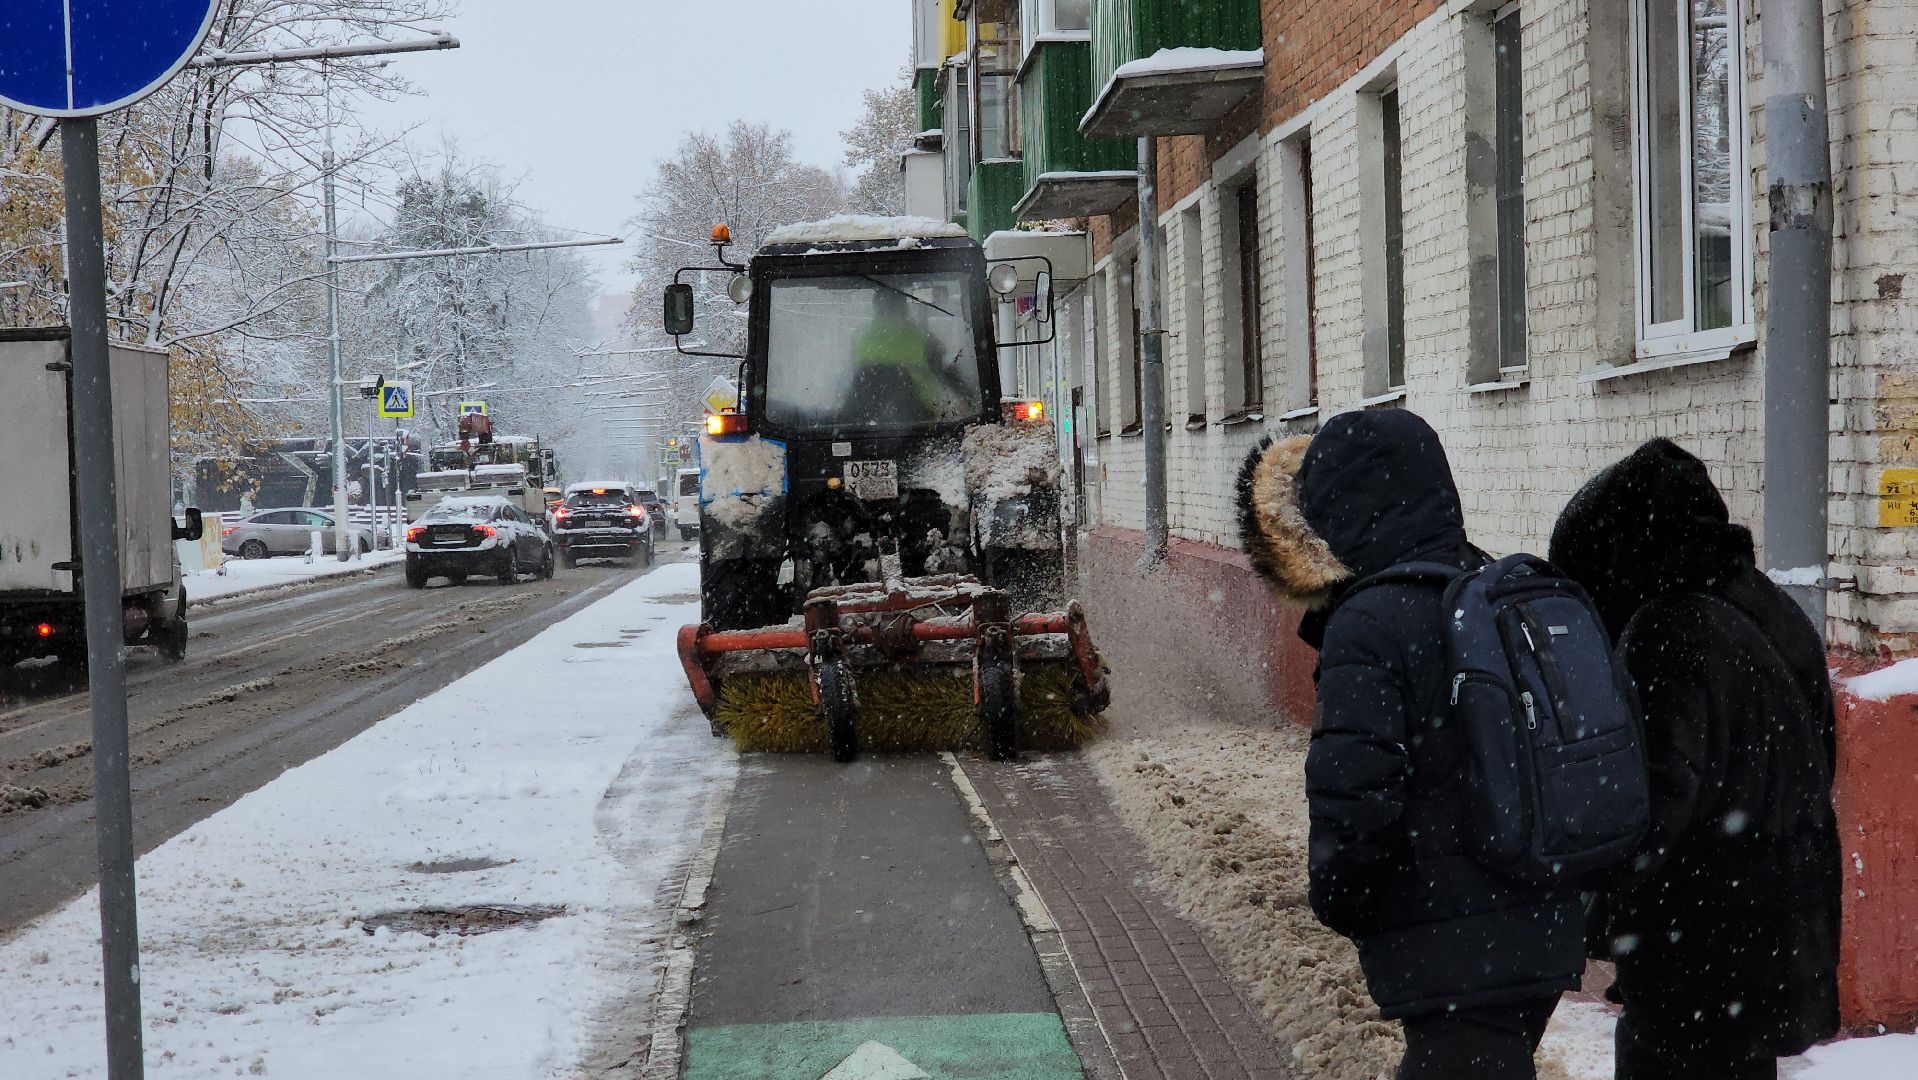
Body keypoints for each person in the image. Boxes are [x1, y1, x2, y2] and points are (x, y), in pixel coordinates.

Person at [1237, 410, 1583, 1080]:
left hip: (1452, 937)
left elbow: (1354, 791)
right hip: (1536, 919)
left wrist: (1343, 898)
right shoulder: (1489, 586)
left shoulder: (1370, 621)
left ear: (1348, 506)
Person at [1548, 439, 1840, 1080]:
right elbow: (1821, 760)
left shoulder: (1667, 630)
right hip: (1779, 933)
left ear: (1619, 557)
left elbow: (1646, 811)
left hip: (1697, 951)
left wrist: (1594, 919)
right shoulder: (1772, 609)